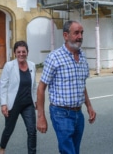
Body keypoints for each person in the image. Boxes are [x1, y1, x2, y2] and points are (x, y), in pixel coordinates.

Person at [36, 20, 96, 154]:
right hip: (61, 113)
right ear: (65, 35)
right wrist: (41, 117)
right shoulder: (54, 57)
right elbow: (41, 88)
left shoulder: (83, 57)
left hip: (78, 114)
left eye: (81, 33)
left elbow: (81, 85)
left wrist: (89, 106)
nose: (80, 36)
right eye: (76, 33)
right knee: (69, 151)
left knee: (74, 150)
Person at [0, 41, 37, 154]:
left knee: (32, 131)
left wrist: (35, 101)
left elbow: (34, 85)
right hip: (13, 103)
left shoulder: (32, 65)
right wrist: (3, 104)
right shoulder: (9, 66)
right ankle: (2, 148)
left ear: (27, 52)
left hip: (28, 104)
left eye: (23, 52)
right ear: (15, 53)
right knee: (8, 129)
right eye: (18, 52)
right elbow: (3, 85)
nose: (21, 54)